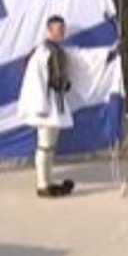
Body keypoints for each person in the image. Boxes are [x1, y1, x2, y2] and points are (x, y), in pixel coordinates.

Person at [16, 16, 77, 199]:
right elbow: (37, 79)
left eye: (62, 29)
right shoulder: (42, 52)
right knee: (44, 145)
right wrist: (40, 106)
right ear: (49, 30)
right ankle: (42, 185)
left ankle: (48, 182)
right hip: (46, 104)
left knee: (50, 145)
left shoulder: (58, 50)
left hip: (55, 102)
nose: (60, 32)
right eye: (57, 29)